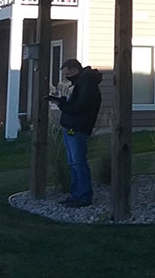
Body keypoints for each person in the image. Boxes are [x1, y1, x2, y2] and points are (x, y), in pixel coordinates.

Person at [47, 58, 102, 207]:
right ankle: (75, 194)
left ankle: (83, 196)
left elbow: (79, 107)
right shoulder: (80, 83)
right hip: (72, 126)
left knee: (78, 162)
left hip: (77, 127)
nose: (66, 77)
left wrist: (63, 104)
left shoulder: (87, 84)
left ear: (74, 70)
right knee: (73, 163)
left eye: (67, 73)